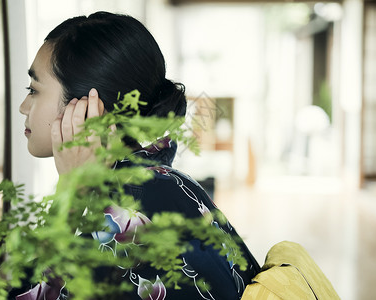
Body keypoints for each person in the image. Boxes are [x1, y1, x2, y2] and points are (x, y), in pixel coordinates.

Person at [17, 11, 260, 300]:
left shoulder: (124, 213)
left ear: (87, 110)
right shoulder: (161, 180)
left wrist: (69, 192)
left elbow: (25, 294)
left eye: (33, 90)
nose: (23, 106)